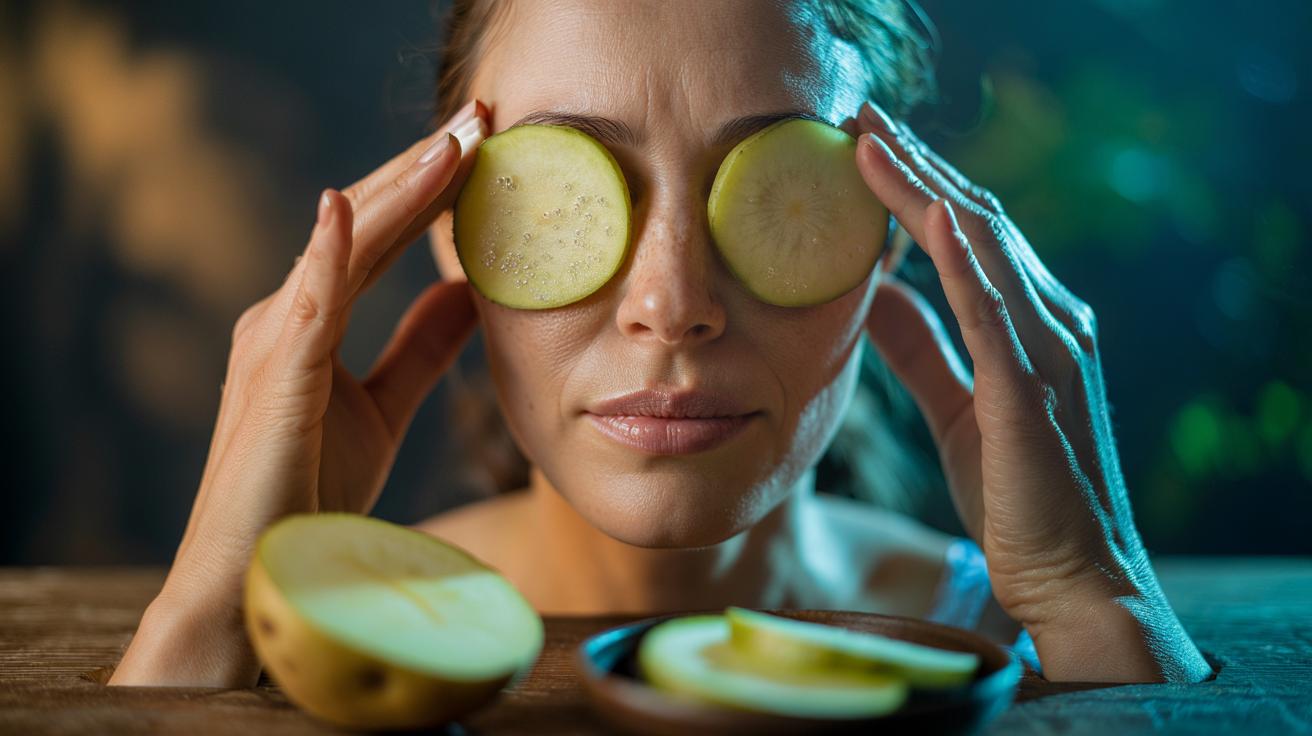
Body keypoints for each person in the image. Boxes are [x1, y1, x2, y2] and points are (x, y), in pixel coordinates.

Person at [109, 0, 1214, 688]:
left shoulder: (1016, 629)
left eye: (777, 193)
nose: (672, 304)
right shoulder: (332, 639)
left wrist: (1091, 599)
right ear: (447, 234)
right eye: (561, 197)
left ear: (890, 238)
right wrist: (208, 617)